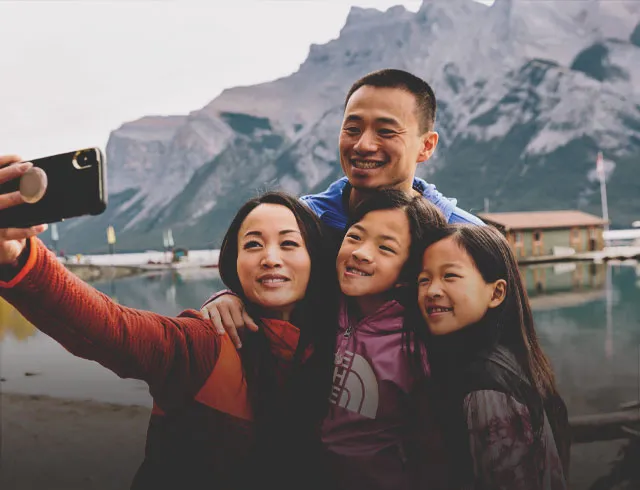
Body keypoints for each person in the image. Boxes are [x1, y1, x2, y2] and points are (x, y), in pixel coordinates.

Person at [0, 181, 337, 489]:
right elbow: (112, 327)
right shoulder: (205, 344)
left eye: (290, 243)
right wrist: (20, 256)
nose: (270, 258)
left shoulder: (343, 347)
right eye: (253, 245)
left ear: (315, 259)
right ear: (235, 263)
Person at [203, 67, 484, 345]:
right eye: (352, 129)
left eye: (385, 131)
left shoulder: (465, 235)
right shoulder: (305, 221)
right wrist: (230, 298)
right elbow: (266, 272)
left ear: (426, 146)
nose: (363, 145)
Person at [412, 224, 570, 489]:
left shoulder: (486, 387)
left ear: (496, 293)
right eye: (424, 280)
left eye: (450, 276)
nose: (432, 291)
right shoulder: (504, 358)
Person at [322, 188, 449, 490]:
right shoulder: (320, 308)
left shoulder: (417, 345)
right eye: (354, 236)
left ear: (409, 273)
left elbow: (433, 452)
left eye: (386, 248)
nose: (361, 253)